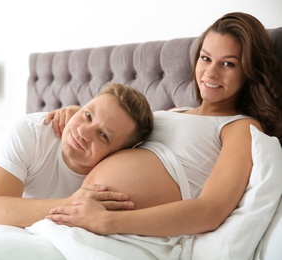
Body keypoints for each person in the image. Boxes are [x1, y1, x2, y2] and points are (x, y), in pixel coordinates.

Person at [45, 12, 282, 236]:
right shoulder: (172, 112)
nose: (211, 72)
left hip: (123, 232)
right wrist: (79, 114)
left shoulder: (240, 127)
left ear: (249, 71)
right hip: (79, 217)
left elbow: (210, 211)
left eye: (228, 64)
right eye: (206, 58)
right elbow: (110, 137)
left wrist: (108, 221)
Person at [0, 82, 153, 228]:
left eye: (103, 135)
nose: (83, 132)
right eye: (88, 115)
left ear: (119, 154)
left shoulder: (121, 173)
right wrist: (70, 204)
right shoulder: (30, 132)